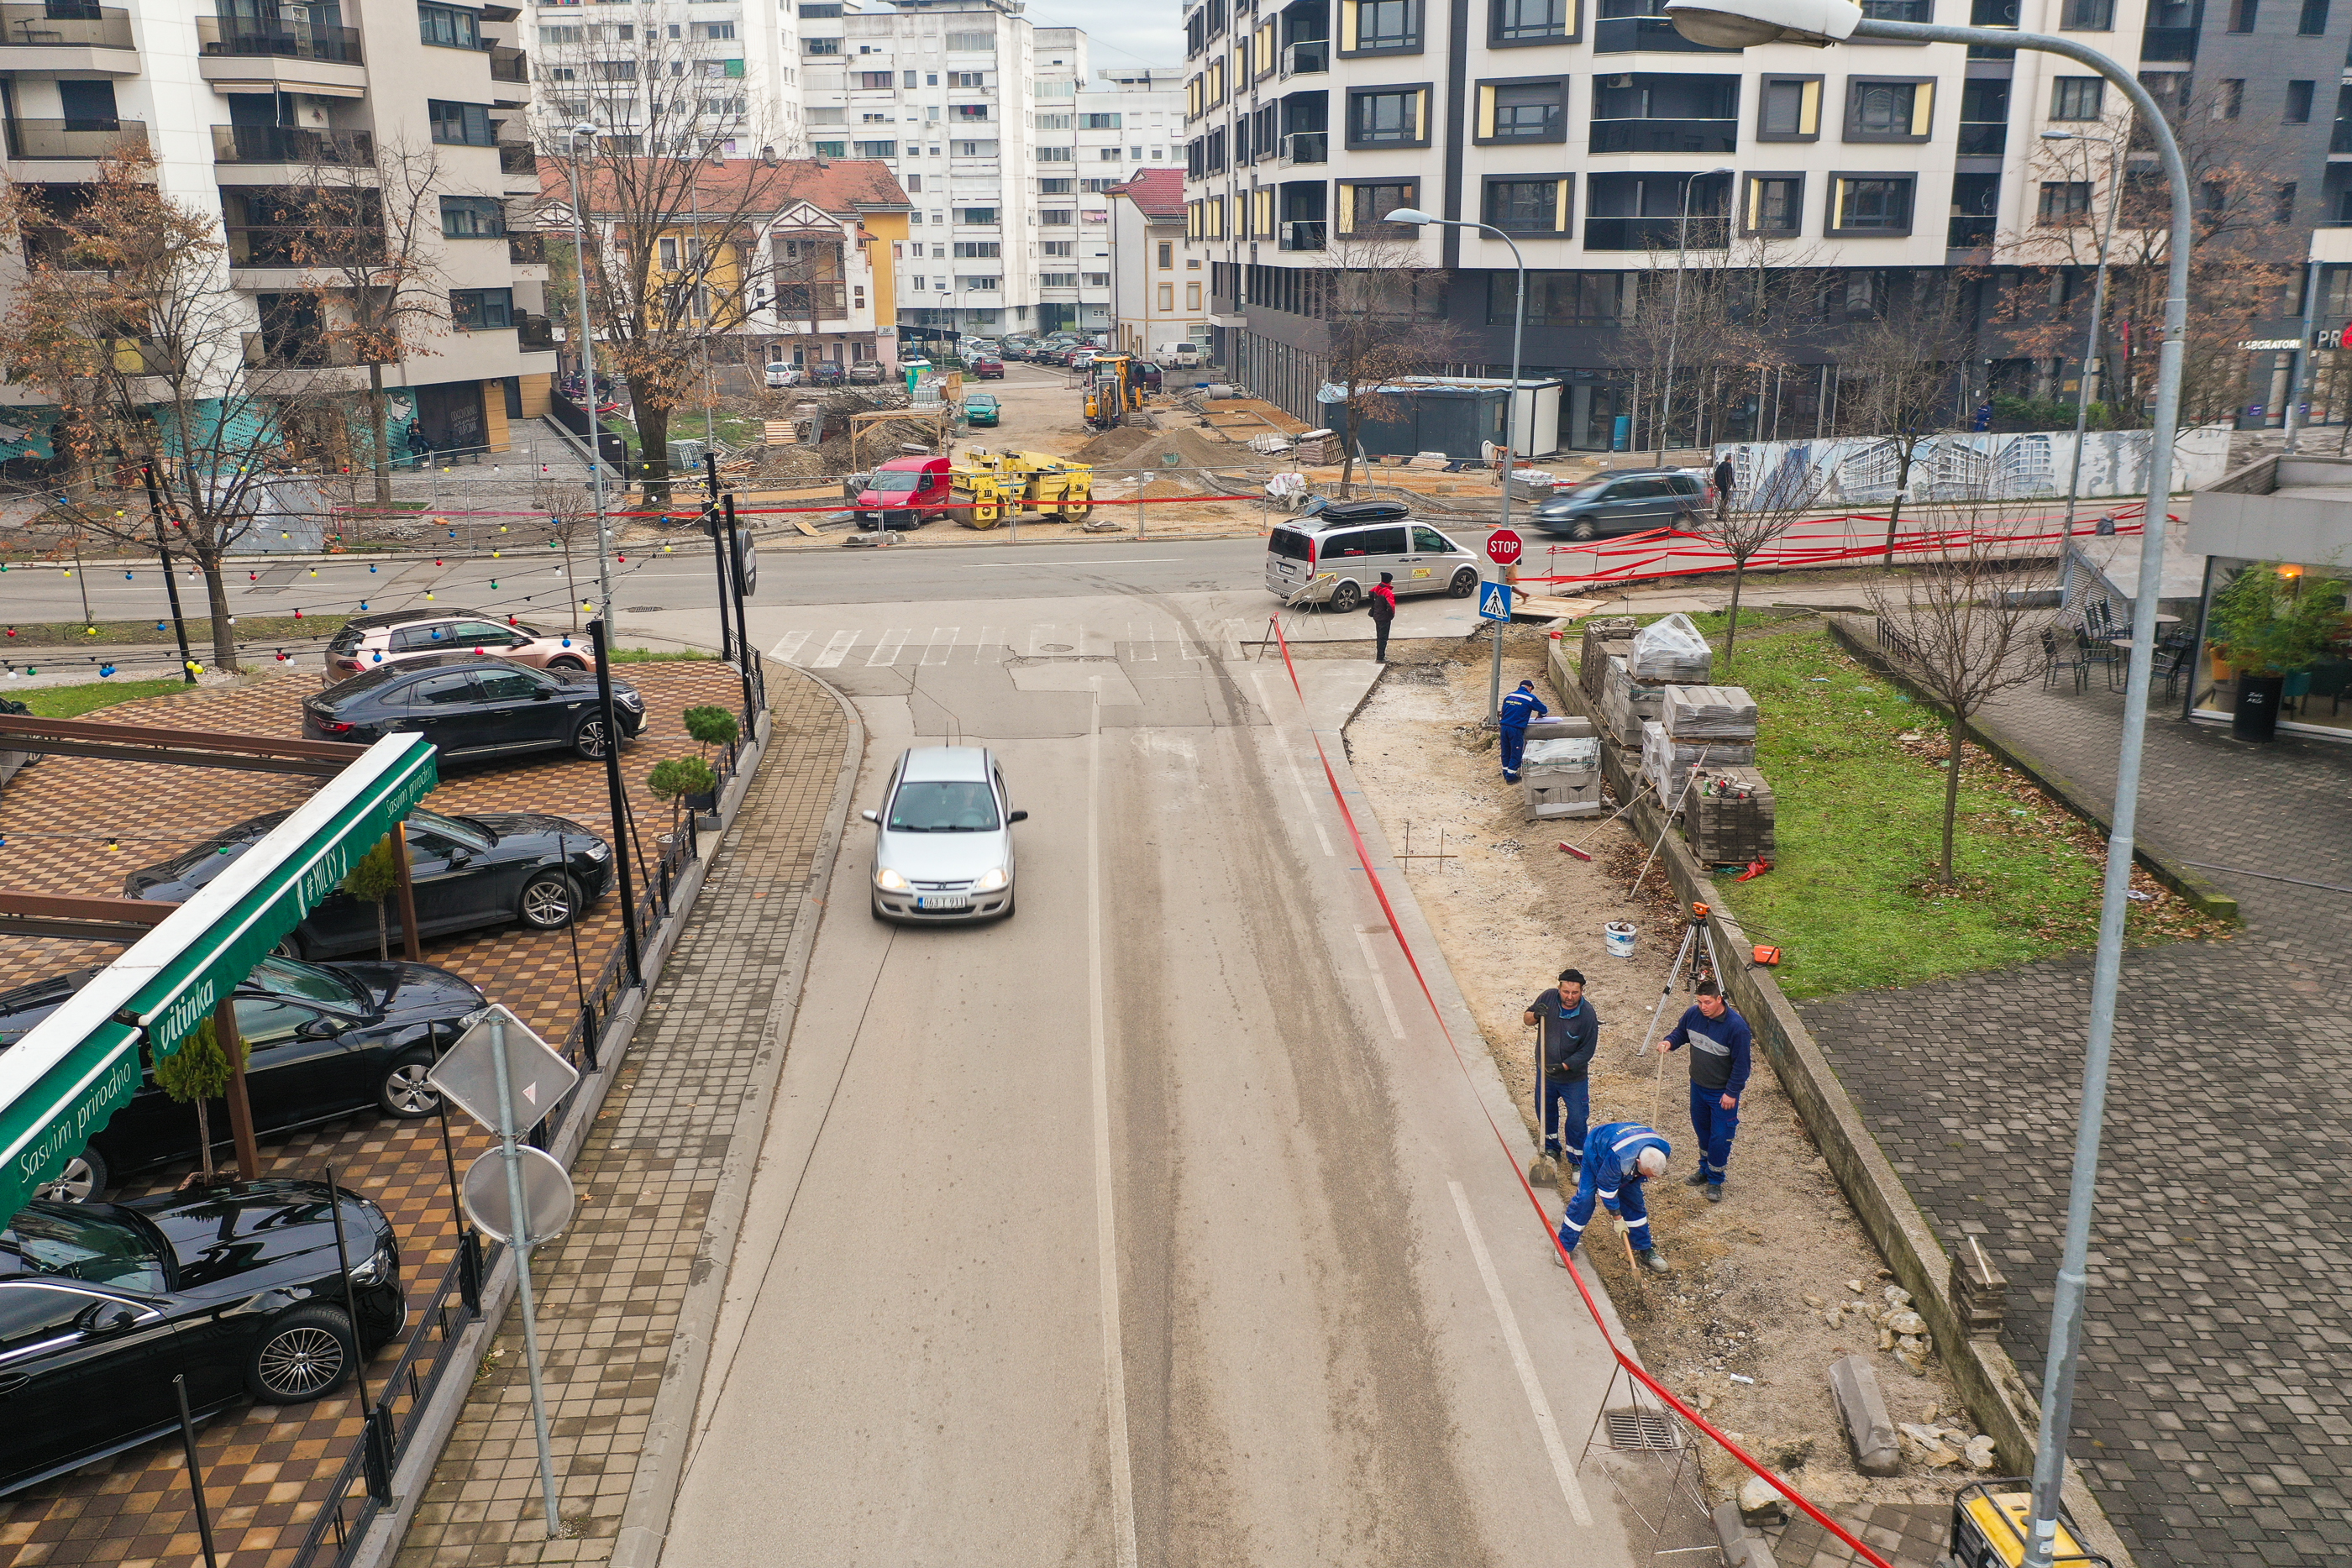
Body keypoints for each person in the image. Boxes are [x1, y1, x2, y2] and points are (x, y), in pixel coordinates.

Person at [1656, 978, 1753, 1203]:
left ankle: (1716, 1180)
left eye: (1707, 1002)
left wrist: (1732, 1092)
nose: (1703, 1007)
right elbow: (1682, 1033)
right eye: (1700, 1002)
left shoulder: (1737, 1028)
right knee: (1703, 1131)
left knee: (1720, 1137)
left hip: (1721, 1094)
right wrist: (1669, 1043)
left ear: (1720, 1000)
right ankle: (1704, 1169)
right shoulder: (1694, 1014)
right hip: (1698, 1086)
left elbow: (1742, 1065)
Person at [1554, 1121, 1672, 1273]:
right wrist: (1618, 1219)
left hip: (1623, 1151)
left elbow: (1643, 1171)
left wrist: (1637, 1175)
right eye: (1645, 1173)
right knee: (1585, 1200)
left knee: (1634, 1202)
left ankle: (1645, 1248)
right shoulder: (1620, 1158)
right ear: (1638, 1162)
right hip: (1597, 1149)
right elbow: (1606, 1190)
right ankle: (1564, 1245)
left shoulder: (1663, 1149)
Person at [1524, 968, 1599, 1183]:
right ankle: (1550, 1149)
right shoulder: (1548, 998)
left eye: (1575, 992)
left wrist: (1564, 1066)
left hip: (1572, 1079)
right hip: (1545, 1073)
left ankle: (1577, 1162)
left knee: (1577, 1119)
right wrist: (1536, 1014)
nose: (1569, 997)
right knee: (1545, 1112)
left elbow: (1587, 1051)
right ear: (1559, 988)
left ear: (1582, 992)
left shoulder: (1587, 1016)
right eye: (1566, 991)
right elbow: (1527, 1020)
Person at [1498, 679, 1546, 784]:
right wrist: (1541, 716)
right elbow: (1544, 710)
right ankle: (1511, 777)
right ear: (1530, 688)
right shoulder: (1530, 698)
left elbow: (1503, 711)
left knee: (1506, 750)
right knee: (1516, 751)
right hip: (1516, 728)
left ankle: (1505, 772)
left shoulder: (1509, 696)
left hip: (1504, 726)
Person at [1368, 571, 1398, 663]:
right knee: (1383, 638)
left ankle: (1380, 656)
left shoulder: (1377, 588)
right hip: (1384, 617)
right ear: (1389, 581)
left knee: (1379, 636)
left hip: (1377, 615)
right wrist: (1390, 616)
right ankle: (1380, 657)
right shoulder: (1387, 592)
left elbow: (1370, 593)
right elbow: (1391, 607)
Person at [1712, 455, 1735, 522]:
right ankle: (1719, 515)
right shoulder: (1728, 467)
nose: (1731, 461)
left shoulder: (1720, 467)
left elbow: (1716, 475)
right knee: (1725, 500)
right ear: (1729, 460)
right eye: (1731, 459)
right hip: (1725, 485)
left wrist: (1717, 484)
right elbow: (1730, 476)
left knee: (1723, 499)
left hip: (1720, 485)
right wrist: (1734, 485)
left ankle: (1720, 514)